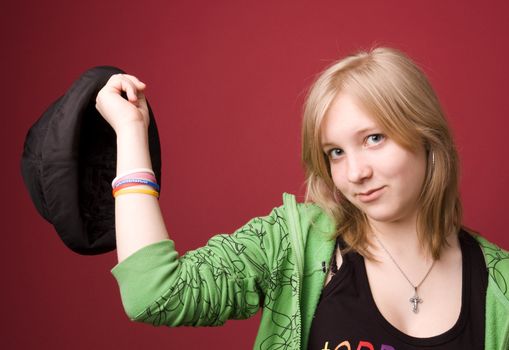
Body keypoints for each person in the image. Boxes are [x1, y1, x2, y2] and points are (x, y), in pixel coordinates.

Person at [95, 47, 509, 349]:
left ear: (426, 137)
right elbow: (155, 294)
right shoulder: (292, 243)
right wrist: (132, 131)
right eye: (336, 152)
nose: (355, 172)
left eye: (374, 138)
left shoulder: (501, 288)